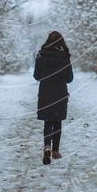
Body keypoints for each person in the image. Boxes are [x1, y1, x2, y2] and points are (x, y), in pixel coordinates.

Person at [34, 31, 74, 165]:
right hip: (60, 93)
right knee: (57, 121)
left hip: (45, 93)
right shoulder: (65, 57)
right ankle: (56, 151)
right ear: (61, 42)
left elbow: (37, 76)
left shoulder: (41, 55)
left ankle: (47, 146)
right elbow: (69, 79)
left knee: (48, 121)